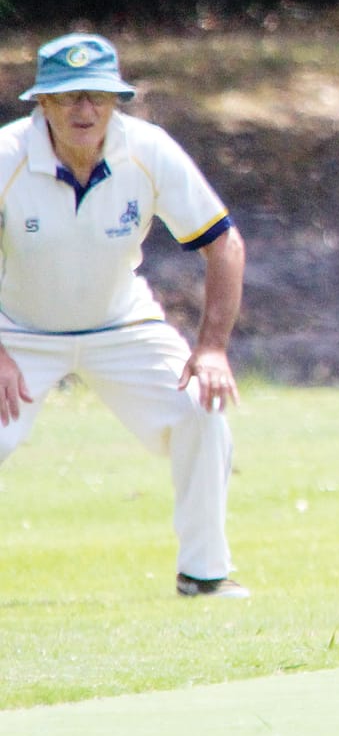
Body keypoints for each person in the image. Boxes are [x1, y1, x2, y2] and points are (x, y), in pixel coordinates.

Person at [0, 32, 251, 598]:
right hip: (16, 329)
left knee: (200, 410)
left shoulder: (148, 148)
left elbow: (224, 243)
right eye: (68, 97)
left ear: (117, 101)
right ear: (42, 103)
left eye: (98, 96)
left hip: (121, 324)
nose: (84, 110)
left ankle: (204, 575)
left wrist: (211, 348)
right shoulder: (6, 157)